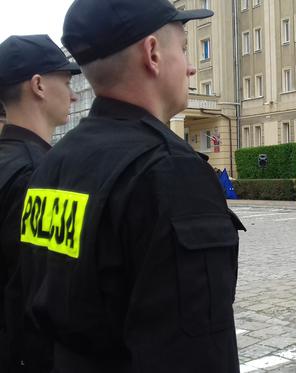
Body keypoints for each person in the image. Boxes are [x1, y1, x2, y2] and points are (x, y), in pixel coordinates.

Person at [16, 1, 246, 371]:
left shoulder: (55, 162)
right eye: (184, 50)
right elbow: (194, 352)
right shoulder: (170, 172)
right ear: (152, 53)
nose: (190, 67)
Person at [0, 34, 80, 373]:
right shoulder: (41, 174)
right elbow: (44, 294)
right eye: (65, 80)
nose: (74, 93)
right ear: (38, 85)